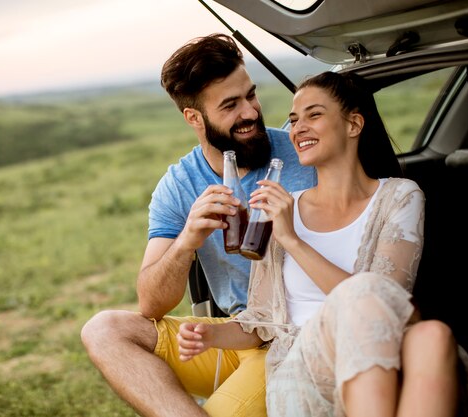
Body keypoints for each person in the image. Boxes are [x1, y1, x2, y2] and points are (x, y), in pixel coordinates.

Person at [177, 71, 468, 417]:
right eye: (293, 119)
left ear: (353, 124)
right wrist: (211, 337)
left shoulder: (399, 196)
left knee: (433, 336)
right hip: (304, 365)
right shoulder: (284, 207)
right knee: (394, 314)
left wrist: (292, 240)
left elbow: (386, 299)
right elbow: (261, 321)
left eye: (313, 115)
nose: (297, 128)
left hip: (381, 342)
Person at [81, 33, 318, 417]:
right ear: (193, 117)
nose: (251, 112)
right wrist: (187, 240)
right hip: (227, 336)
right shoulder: (177, 186)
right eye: (230, 105)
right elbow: (152, 304)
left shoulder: (303, 151)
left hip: (292, 336)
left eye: (250, 95)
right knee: (104, 329)